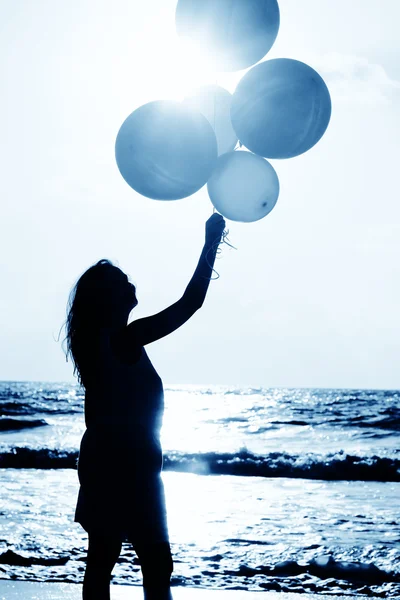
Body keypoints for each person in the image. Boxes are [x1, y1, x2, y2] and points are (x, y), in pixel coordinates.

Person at [64, 213, 226, 600]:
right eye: (121, 282)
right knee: (152, 563)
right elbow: (191, 303)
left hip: (114, 465)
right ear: (108, 299)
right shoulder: (124, 339)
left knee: (104, 560)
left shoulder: (101, 344)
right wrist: (211, 243)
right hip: (125, 469)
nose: (129, 282)